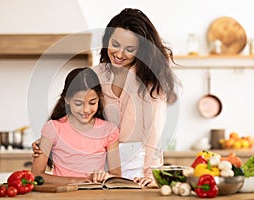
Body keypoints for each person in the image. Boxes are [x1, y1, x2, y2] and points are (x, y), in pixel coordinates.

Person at [32, 8, 179, 186]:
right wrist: (48, 142)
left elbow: (153, 135)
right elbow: (73, 114)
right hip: (100, 168)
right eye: (115, 44)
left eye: (129, 49)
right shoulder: (97, 74)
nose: (119, 54)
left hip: (137, 169)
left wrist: (151, 174)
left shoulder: (151, 84)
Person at [31, 67, 121, 185]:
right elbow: (35, 175)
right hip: (63, 195)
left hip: (95, 195)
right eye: (78, 103)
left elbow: (117, 176)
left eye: (92, 102)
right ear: (67, 99)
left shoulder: (109, 131)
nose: (86, 110)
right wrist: (75, 181)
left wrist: (106, 176)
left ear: (99, 98)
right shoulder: (53, 128)